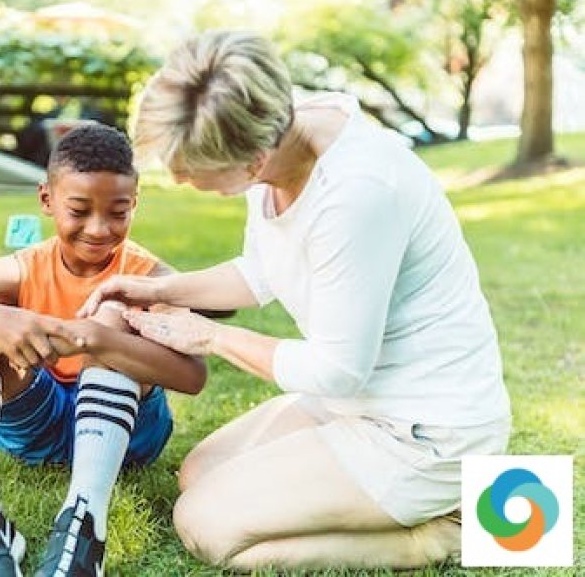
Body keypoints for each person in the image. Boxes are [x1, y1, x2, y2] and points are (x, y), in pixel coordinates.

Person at [78, 31, 511, 571]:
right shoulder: (281, 127)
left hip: (424, 433)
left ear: (254, 159)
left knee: (206, 526)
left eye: (191, 170)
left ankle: (444, 535)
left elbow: (336, 369)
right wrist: (159, 289)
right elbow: (264, 270)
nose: (182, 179)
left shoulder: (356, 195)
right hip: (354, 407)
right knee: (198, 474)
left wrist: (212, 335)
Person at [0, 123, 206, 577]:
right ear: (47, 200)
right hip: (37, 426)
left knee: (113, 315)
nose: (99, 229)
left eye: (118, 213)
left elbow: (193, 375)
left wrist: (97, 339)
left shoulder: (153, 277)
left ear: (135, 204)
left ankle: (85, 526)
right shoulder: (18, 270)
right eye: (79, 210)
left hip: (129, 434)